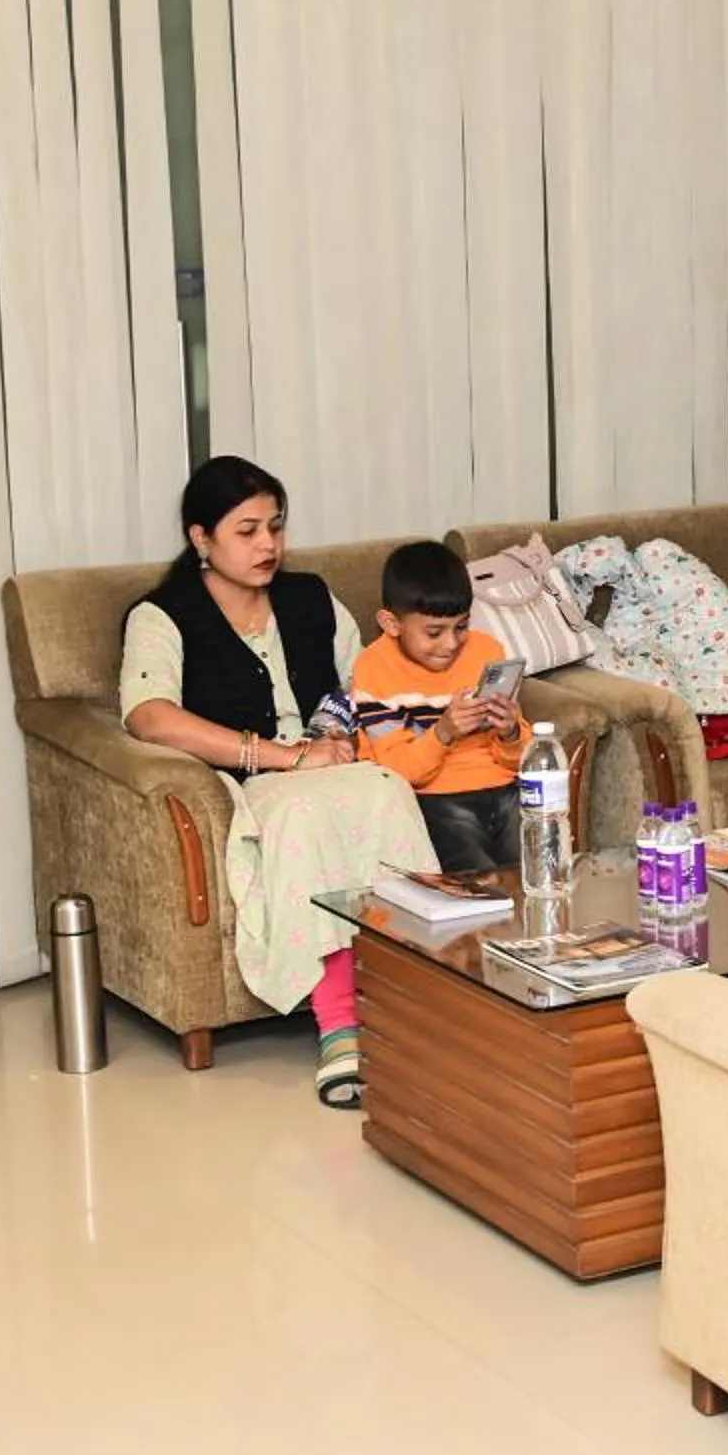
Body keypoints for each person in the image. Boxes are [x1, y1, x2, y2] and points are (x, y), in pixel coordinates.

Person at [120, 456, 434, 1109]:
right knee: (300, 816)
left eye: (276, 527)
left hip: (340, 766)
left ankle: (419, 1008)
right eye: (247, 530)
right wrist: (279, 757)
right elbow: (149, 715)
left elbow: (366, 678)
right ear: (200, 538)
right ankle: (341, 1026)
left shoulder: (310, 597)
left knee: (385, 791)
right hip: (256, 780)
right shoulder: (162, 614)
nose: (268, 545)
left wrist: (347, 734)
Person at [351, 541, 535, 875]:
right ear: (391, 624)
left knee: (539, 872)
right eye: (434, 632)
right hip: (435, 798)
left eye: (461, 626)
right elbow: (398, 773)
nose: (451, 644)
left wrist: (510, 731)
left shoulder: (487, 650)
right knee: (481, 884)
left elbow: (519, 760)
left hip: (506, 789)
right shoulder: (373, 669)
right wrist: (443, 733)